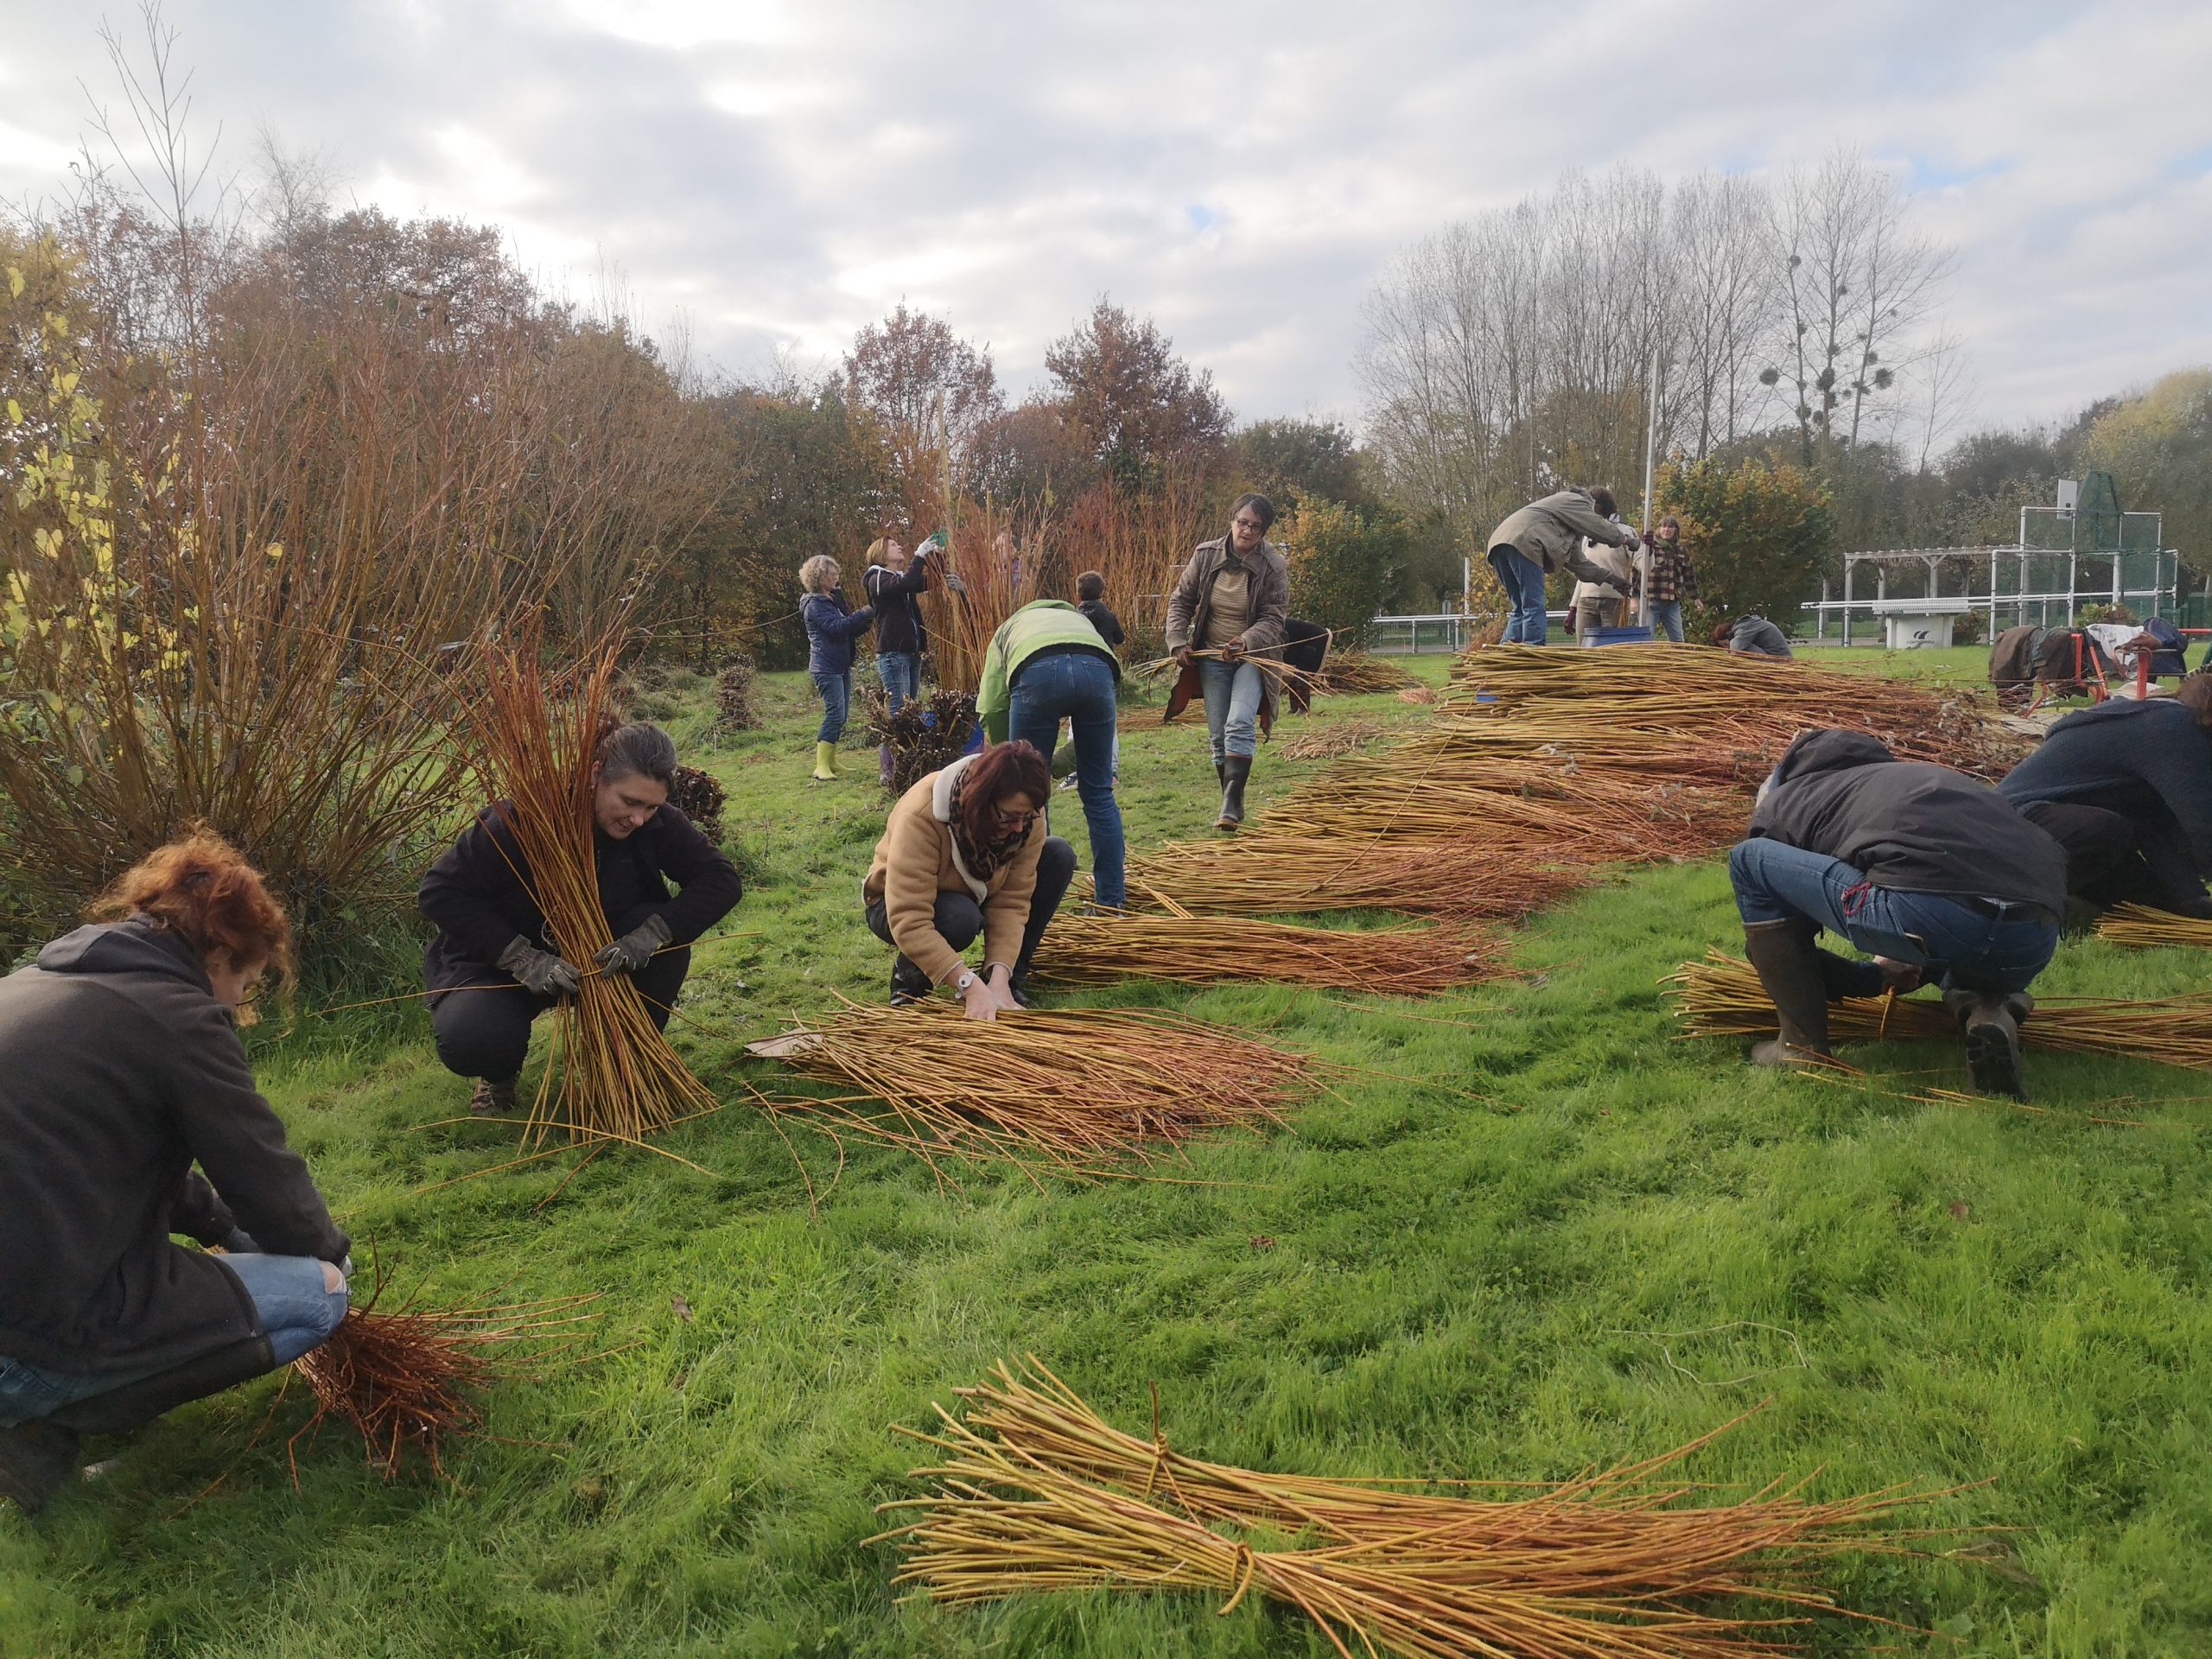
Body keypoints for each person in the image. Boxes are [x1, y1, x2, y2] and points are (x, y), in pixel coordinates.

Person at [0, 834, 351, 1516]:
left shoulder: (34, 984)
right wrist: (328, 1252)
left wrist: (218, 1226)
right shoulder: (180, 1016)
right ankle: (47, 1416)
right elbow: (262, 1171)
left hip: (19, 1287)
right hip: (27, 1334)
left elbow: (113, 1163)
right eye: (245, 983)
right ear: (219, 954)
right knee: (321, 1296)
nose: (239, 1004)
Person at [419, 722, 741, 1116]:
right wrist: (519, 957)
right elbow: (440, 891)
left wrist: (653, 934)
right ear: (594, 776)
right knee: (473, 1039)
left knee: (666, 943)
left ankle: (627, 1057)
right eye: (630, 801)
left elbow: (721, 881)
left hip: (605, 960)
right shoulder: (521, 819)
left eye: (652, 806)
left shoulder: (656, 823)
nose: (639, 819)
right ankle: (498, 1073)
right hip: (503, 965)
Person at [1729, 729, 2066, 1100]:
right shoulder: (1923, 777)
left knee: (1749, 859)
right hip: (2033, 934)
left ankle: (1800, 1047)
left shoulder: (1791, 798)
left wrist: (1870, 978)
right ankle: (1988, 1010)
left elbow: (1787, 941)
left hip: (1933, 916)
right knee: (1972, 929)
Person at [862, 741, 1076, 1016]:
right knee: (958, 917)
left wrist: (998, 975)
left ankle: (1006, 981)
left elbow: (1012, 902)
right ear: (981, 800)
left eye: (1027, 816)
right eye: (1009, 817)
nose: (1019, 827)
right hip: (894, 905)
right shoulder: (922, 814)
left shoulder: (1025, 816)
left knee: (1058, 855)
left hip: (975, 893)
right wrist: (968, 985)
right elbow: (909, 918)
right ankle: (909, 985)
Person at [1998, 672, 2212, 918]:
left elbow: (2155, 828)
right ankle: (2022, 907)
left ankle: (2071, 902)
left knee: (2155, 907)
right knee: (2106, 828)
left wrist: (2191, 899)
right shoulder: (2173, 728)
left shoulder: (2167, 724)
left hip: (2060, 832)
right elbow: (2203, 823)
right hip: (2014, 827)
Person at [978, 598, 1126, 910]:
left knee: (1032, 799)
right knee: (1099, 794)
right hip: (1098, 669)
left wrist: (1013, 764)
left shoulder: (1008, 629)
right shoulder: (1081, 622)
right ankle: (1111, 904)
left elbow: (991, 706)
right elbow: (1090, 741)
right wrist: (1062, 762)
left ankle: (1040, 900)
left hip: (1037, 669)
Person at [1164, 492, 1292, 830]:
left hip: (1255, 656)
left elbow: (1274, 618)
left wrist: (1246, 640)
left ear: (1264, 531)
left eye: (1255, 526)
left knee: (1239, 722)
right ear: (1232, 520)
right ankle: (1230, 803)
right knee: (1219, 735)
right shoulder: (1205, 555)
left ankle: (1232, 801)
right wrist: (1177, 640)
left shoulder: (1273, 565)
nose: (1247, 531)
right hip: (1211, 655)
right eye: (1242, 523)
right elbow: (1181, 601)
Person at [1483, 486, 1640, 645]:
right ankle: (1533, 650)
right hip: (1525, 542)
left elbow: (1581, 566)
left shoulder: (1559, 520)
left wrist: (1613, 579)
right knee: (1534, 604)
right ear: (1595, 507)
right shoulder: (1575, 500)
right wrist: (1626, 540)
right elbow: (1598, 526)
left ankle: (1507, 650)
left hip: (1499, 544)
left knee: (1520, 607)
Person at [863, 535, 938, 785]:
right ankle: (889, 770)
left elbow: (922, 581)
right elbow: (906, 583)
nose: (899, 547)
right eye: (893, 545)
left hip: (910, 653)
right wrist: (918, 556)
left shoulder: (897, 579)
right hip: (892, 653)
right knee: (896, 714)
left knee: (911, 710)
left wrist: (936, 556)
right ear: (881, 553)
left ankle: (907, 765)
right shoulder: (876, 578)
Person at [799, 554, 874, 783]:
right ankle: (821, 765)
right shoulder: (814, 604)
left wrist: (866, 621)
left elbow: (847, 630)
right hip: (826, 667)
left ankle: (831, 760)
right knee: (834, 714)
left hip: (840, 665)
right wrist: (861, 614)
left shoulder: (830, 601)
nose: (836, 578)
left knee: (840, 716)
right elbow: (836, 628)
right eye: (833, 574)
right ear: (820, 576)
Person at [1571, 538, 1637, 644]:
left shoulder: (1626, 533)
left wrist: (1649, 551)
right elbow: (1582, 573)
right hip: (1586, 601)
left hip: (1614, 601)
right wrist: (1573, 606)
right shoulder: (1588, 536)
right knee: (1584, 647)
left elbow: (1642, 565)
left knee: (1612, 648)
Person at [1644, 516, 1698, 643]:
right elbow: (1637, 572)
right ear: (1658, 529)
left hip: (1672, 603)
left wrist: (1695, 597)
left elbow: (1689, 575)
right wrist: (1635, 597)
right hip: (1651, 601)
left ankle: (1677, 662)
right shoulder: (1650, 548)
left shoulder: (1681, 550)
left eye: (1670, 527)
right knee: (1646, 639)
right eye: (1664, 526)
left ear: (1675, 530)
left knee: (1678, 641)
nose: (1666, 529)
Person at [1712, 613, 1794, 658]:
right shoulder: (1746, 626)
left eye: (1725, 644)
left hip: (1780, 661)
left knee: (1741, 648)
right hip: (1776, 657)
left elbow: (1736, 649)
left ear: (1728, 634)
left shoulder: (1744, 628)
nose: (1727, 648)